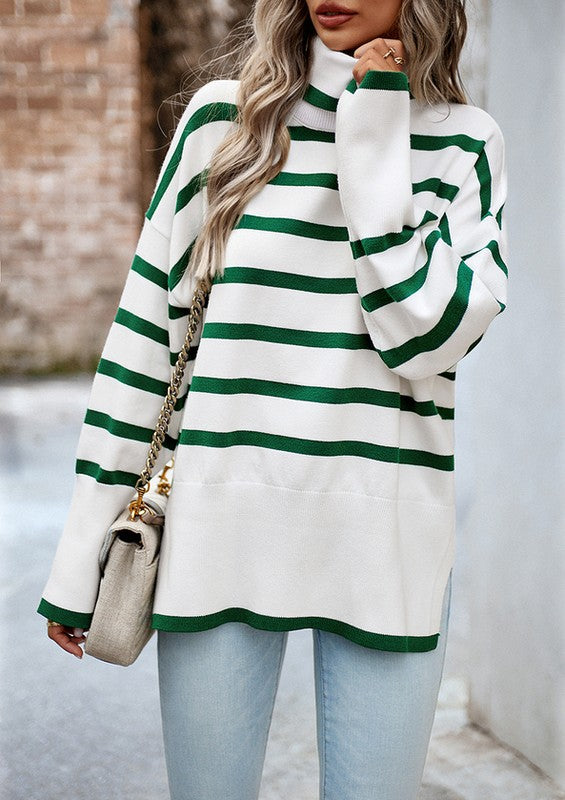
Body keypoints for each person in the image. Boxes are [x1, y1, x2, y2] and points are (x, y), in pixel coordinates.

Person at [38, 0, 508, 797]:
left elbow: (425, 341)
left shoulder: (464, 144)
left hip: (384, 535)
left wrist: (374, 133)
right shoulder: (223, 124)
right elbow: (145, 346)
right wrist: (84, 553)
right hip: (219, 521)